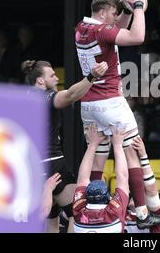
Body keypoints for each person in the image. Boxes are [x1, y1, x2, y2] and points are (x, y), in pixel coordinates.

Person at [75, 0, 160, 228]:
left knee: (98, 154)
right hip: (110, 101)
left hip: (89, 103)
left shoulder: (81, 28)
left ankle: (90, 206)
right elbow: (136, 37)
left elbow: (115, 30)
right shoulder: (102, 30)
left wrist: (124, 10)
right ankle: (142, 212)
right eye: (114, 13)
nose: (117, 18)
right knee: (132, 151)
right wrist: (138, 7)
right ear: (104, 13)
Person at [22, 59, 108, 232]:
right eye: (52, 75)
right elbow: (70, 96)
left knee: (51, 219)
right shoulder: (44, 97)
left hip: (33, 166)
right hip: (52, 163)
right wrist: (91, 76)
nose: (56, 78)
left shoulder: (24, 98)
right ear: (40, 81)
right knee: (77, 213)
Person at [72, 124, 128, 233]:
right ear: (107, 197)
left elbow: (83, 179)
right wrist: (117, 145)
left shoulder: (79, 212)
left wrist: (92, 145)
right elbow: (122, 176)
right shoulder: (112, 213)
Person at [124, 136, 160, 233]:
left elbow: (151, 190)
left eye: (141, 191)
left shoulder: (117, 214)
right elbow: (151, 190)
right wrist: (143, 156)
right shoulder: (157, 219)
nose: (136, 192)